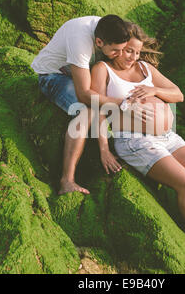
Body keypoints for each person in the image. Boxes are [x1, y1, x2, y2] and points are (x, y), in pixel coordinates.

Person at [90, 22, 185, 263]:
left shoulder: (145, 68)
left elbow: (178, 94)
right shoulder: (103, 69)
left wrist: (153, 91)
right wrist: (104, 149)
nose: (132, 57)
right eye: (129, 51)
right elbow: (96, 107)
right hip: (135, 140)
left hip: (168, 136)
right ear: (119, 46)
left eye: (137, 52)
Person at [32, 15, 152, 195]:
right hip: (53, 75)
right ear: (99, 41)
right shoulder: (80, 40)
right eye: (115, 51)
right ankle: (67, 180)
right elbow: (84, 95)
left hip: (80, 73)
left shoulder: (112, 28)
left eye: (123, 50)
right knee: (86, 111)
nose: (119, 55)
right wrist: (123, 103)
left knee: (105, 96)